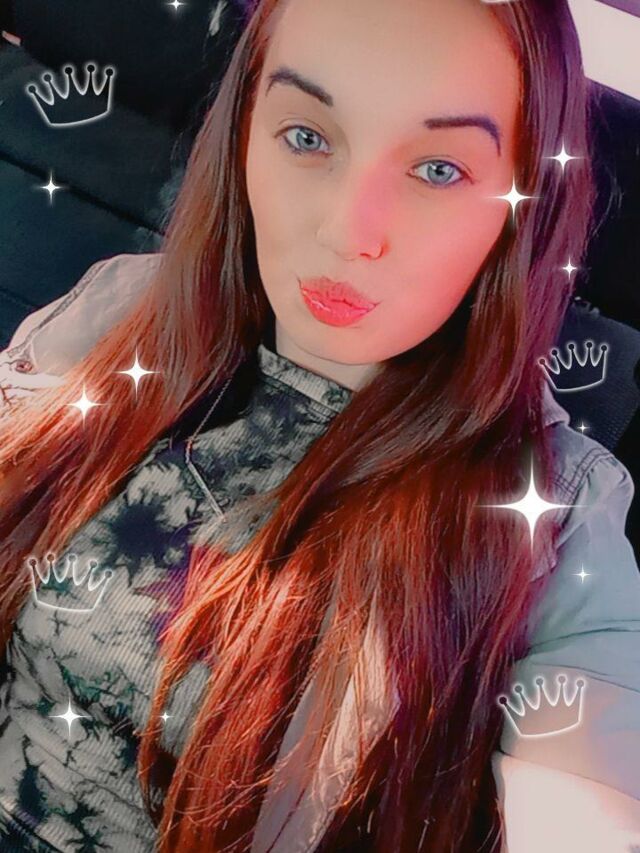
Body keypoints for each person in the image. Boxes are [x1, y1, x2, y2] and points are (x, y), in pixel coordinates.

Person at [0, 0, 639, 851]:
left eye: (439, 168)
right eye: (307, 137)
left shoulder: (553, 517)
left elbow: (583, 806)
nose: (347, 230)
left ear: (523, 202)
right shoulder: (127, 311)